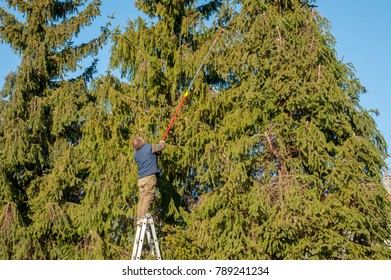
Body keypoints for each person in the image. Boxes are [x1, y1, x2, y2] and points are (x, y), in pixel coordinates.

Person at [131, 136, 166, 223]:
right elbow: (161, 147)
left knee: (142, 197)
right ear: (141, 141)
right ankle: (143, 216)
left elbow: (148, 156)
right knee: (148, 195)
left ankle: (139, 217)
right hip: (149, 177)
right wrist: (162, 142)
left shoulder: (136, 155)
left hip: (141, 179)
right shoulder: (149, 147)